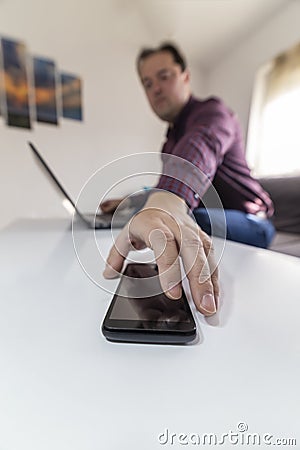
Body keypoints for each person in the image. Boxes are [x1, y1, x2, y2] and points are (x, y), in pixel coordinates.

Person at [102, 42, 275, 316]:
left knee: (185, 220)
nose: (155, 88)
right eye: (147, 83)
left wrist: (169, 199)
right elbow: (164, 183)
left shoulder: (213, 113)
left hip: (254, 222)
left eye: (164, 76)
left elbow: (200, 146)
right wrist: (131, 200)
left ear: (186, 76)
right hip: (211, 213)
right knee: (159, 216)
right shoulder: (170, 143)